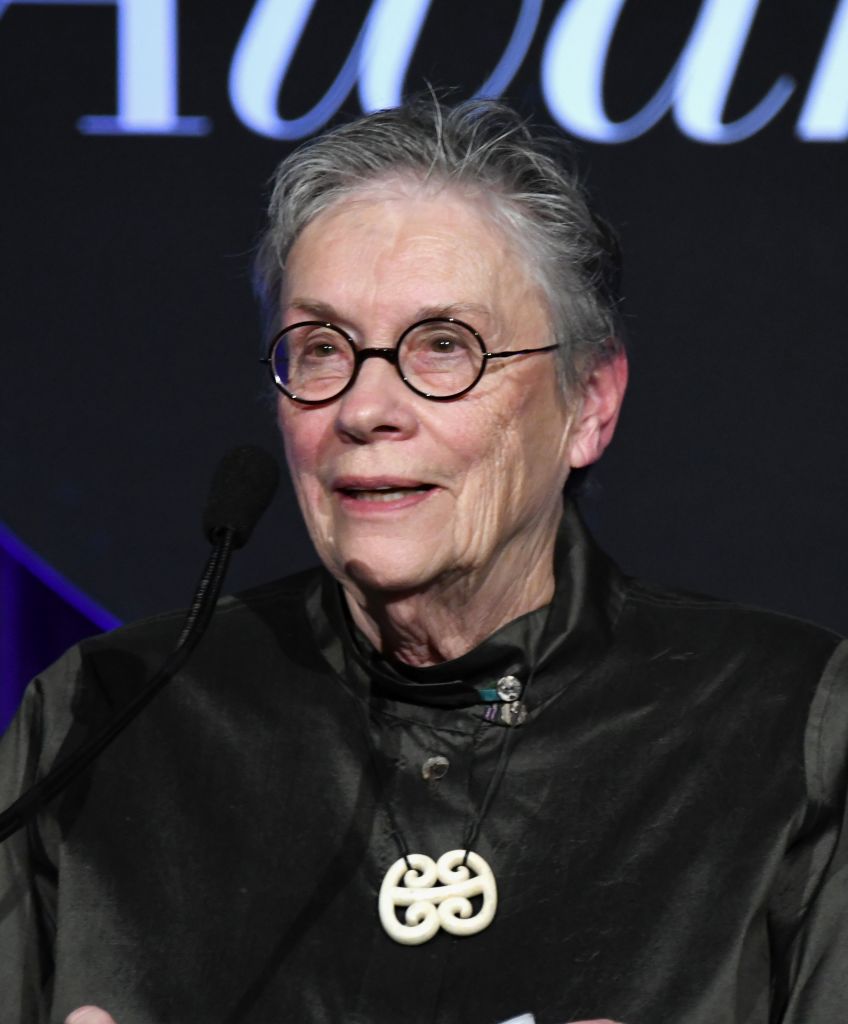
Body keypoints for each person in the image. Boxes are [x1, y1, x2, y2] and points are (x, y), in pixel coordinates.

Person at [1, 97, 846, 1024]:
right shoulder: (105, 725)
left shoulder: (788, 731)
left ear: (590, 402)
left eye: (445, 346)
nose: (365, 409)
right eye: (322, 349)